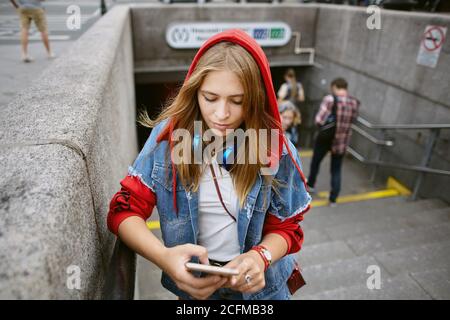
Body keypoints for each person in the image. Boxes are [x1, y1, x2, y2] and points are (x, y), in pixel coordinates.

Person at [106, 29, 311, 300]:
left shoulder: (274, 149)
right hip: (195, 291)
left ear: (256, 99)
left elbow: (287, 227)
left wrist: (261, 256)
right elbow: (123, 210)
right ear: (195, 92)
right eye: (210, 98)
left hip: (262, 292)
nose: (222, 114)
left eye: (238, 101)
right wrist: (164, 258)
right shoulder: (168, 139)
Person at [306, 78, 360, 206]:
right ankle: (333, 199)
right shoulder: (354, 102)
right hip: (342, 141)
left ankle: (311, 185)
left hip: (326, 138)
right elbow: (354, 120)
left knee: (316, 161)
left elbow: (319, 120)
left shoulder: (330, 99)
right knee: (336, 169)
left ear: (335, 86)